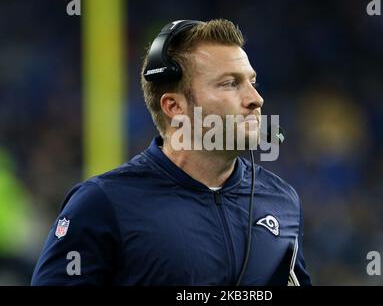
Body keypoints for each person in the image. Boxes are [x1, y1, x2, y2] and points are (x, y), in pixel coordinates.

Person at [31, 19, 311, 285]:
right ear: (174, 107)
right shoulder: (102, 204)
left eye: (252, 82)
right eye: (230, 83)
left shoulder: (280, 200)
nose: (255, 99)